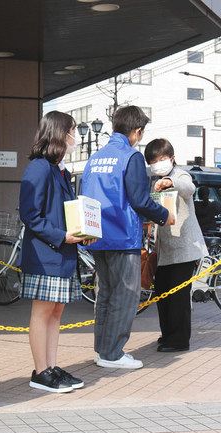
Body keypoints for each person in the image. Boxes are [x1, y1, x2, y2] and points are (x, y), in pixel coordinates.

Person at [81, 106, 174, 370]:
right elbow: (140, 200)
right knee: (126, 295)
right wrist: (163, 214)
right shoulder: (130, 157)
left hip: (97, 236)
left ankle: (102, 350)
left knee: (106, 294)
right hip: (123, 236)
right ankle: (113, 353)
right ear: (137, 131)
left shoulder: (96, 157)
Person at [19, 111, 91, 393]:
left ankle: (50, 366)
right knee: (43, 312)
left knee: (56, 312)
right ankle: (41, 371)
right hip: (46, 252)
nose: (75, 136)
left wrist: (83, 234)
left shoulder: (58, 170)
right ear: (60, 133)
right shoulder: (39, 168)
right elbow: (30, 214)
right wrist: (62, 236)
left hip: (62, 252)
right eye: (72, 130)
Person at [144, 139, 207, 352]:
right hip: (165, 250)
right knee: (163, 293)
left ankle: (179, 340)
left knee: (179, 296)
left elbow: (189, 188)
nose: (158, 163)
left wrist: (171, 183)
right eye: (153, 160)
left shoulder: (178, 174)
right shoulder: (155, 179)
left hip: (184, 248)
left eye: (162, 159)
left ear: (171, 158)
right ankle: (168, 335)